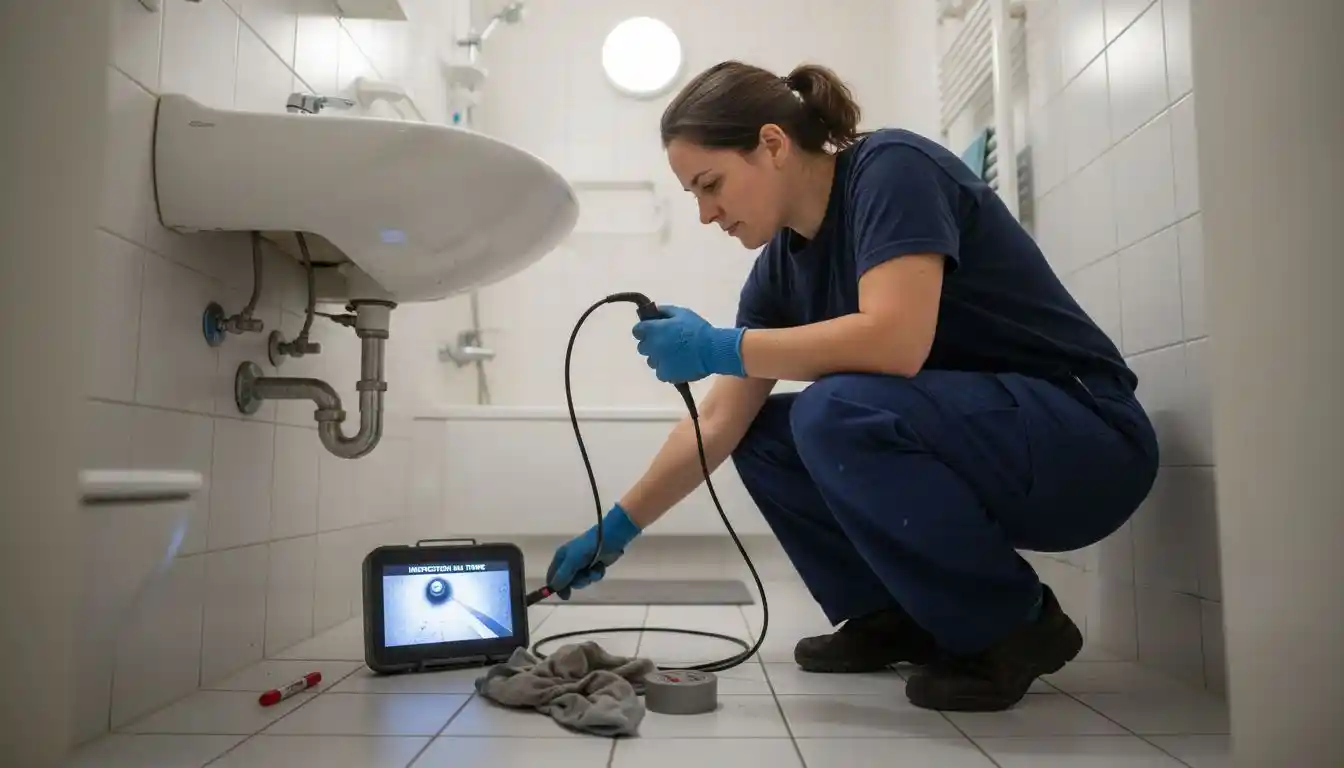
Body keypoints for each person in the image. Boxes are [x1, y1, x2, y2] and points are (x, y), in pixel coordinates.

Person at [545, 60, 1159, 712]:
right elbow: (718, 424)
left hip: (1086, 441)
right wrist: (616, 528)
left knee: (835, 408)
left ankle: (1014, 625)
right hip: (997, 444)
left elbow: (894, 342)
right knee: (766, 433)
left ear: (773, 144)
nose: (705, 214)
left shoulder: (891, 170)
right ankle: (892, 615)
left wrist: (718, 346)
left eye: (711, 184)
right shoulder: (779, 270)